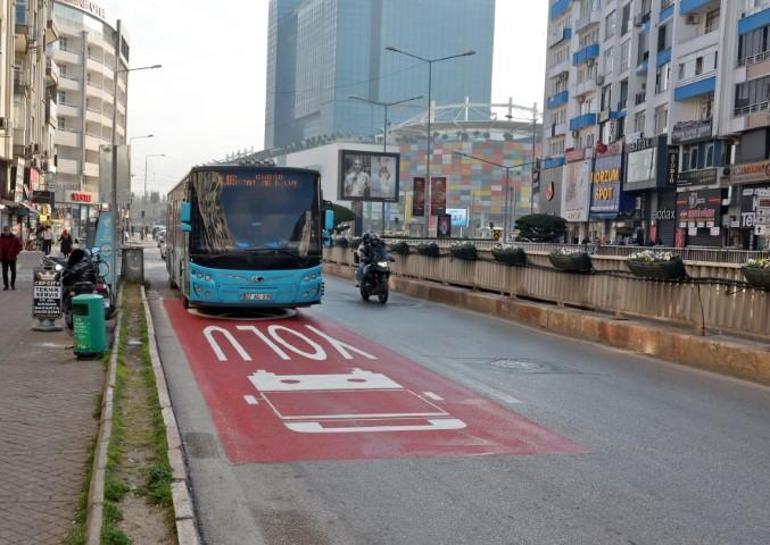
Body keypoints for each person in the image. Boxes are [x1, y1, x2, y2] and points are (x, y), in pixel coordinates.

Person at [0, 225, 23, 290]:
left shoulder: (14, 238)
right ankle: (6, 285)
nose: (6, 232)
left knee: (13, 271)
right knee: (4, 272)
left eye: (7, 231)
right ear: (3, 231)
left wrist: (15, 253)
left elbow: (20, 246)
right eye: (5, 231)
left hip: (12, 258)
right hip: (3, 257)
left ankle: (12, 284)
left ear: (9, 231)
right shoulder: (1, 238)